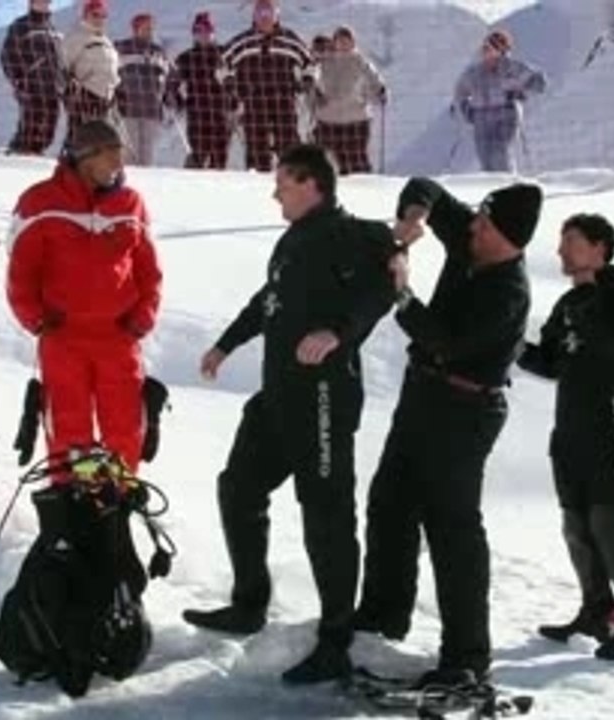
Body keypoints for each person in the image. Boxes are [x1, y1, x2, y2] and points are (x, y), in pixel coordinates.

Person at [182, 144, 397, 685]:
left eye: (283, 182)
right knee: (238, 487)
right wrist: (225, 345)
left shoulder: (353, 235)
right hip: (278, 394)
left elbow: (379, 291)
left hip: (324, 396)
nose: (275, 191)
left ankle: (335, 639)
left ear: (311, 184)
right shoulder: (294, 239)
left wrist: (337, 333)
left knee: (326, 512)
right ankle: (249, 603)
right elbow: (268, 299)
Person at [355, 177, 541, 685]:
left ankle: (466, 657)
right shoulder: (474, 237)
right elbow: (426, 187)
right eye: (476, 219)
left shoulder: (508, 292)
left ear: (507, 237)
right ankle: (380, 618)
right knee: (389, 502)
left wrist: (403, 292)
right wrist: (415, 213)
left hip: (466, 409)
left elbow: (446, 342)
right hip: (423, 395)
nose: (471, 227)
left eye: (483, 224)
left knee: (452, 528)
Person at [518, 214, 614, 661]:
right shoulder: (567, 305)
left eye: (572, 242)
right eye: (562, 242)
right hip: (571, 428)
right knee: (576, 523)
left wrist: (595, 318)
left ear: (600, 248)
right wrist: (514, 347)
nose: (561, 251)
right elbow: (551, 363)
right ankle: (594, 610)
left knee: (611, 521)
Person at [6, 119, 162, 473]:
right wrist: (36, 319)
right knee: (68, 427)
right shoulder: (39, 201)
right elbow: (20, 273)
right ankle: (75, 501)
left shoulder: (131, 202)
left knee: (124, 428)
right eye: (112, 157)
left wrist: (142, 318)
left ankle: (116, 500)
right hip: (63, 338)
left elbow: (149, 271)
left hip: (119, 337)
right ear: (86, 158)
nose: (119, 166)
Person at [217, 0, 317, 171]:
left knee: (288, 144)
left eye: (268, 14)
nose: (264, 19)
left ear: (276, 15)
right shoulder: (243, 41)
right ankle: (256, 182)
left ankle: (292, 182)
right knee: (256, 146)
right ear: (254, 17)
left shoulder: (289, 40)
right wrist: (228, 83)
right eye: (260, 14)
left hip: (283, 99)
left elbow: (311, 62)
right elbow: (221, 64)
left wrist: (308, 79)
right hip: (254, 100)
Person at [453, 29, 546, 173]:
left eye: (490, 48)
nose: (485, 52)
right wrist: (467, 111)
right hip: (481, 117)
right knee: (485, 157)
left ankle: (508, 185)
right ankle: (491, 187)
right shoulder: (475, 72)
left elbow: (539, 82)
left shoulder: (512, 67)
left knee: (500, 153)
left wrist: (520, 90)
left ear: (501, 50)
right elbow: (460, 91)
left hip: (506, 113)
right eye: (484, 48)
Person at [312, 25, 386, 175]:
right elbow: (313, 76)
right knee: (329, 162)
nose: (343, 44)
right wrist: (316, 93)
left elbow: (374, 79)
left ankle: (365, 190)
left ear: (353, 42)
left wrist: (380, 91)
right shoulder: (324, 61)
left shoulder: (360, 61)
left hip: (356, 119)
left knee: (357, 159)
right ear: (334, 43)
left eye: (347, 40)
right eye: (340, 40)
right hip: (328, 119)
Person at [167, 11, 232, 169]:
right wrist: (175, 99)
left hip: (220, 114)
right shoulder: (186, 58)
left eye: (206, 30)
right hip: (197, 114)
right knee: (198, 155)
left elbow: (235, 79)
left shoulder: (224, 55)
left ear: (212, 32)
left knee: (219, 159)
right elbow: (172, 83)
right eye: (198, 31)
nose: (203, 35)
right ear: (194, 34)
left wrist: (234, 100)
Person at [0, 0, 65, 156]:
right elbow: (8, 55)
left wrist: (63, 80)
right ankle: (20, 150)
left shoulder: (52, 28)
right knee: (31, 121)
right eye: (40, 1)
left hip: (52, 86)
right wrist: (18, 80)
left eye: (47, 1)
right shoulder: (20, 26)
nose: (44, 4)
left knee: (50, 123)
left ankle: (37, 151)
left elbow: (61, 58)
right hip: (31, 85)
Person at [114, 13, 172, 166]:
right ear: (136, 29)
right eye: (145, 28)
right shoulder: (122, 48)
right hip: (128, 108)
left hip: (151, 109)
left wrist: (169, 95)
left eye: (151, 28)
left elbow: (169, 77)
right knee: (130, 154)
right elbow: (112, 73)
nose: (149, 31)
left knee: (147, 155)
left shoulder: (158, 51)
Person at [61, 0, 120, 146]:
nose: (99, 19)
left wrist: (117, 89)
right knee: (80, 135)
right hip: (84, 93)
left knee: (98, 138)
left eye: (103, 15)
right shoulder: (76, 37)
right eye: (95, 15)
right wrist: (69, 87)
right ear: (85, 16)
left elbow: (113, 67)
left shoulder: (106, 41)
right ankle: (69, 163)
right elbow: (63, 64)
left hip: (106, 96)